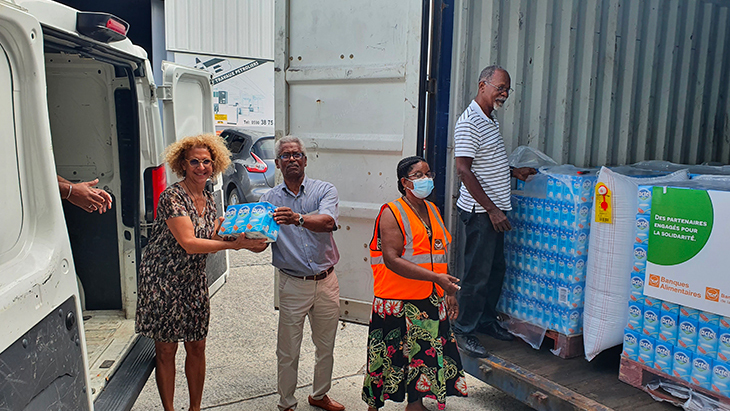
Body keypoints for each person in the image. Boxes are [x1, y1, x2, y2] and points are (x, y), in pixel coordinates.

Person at [135, 134, 267, 411]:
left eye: (207, 161)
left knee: (196, 345)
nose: (201, 167)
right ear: (183, 164)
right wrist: (237, 247)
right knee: (167, 348)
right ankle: (169, 409)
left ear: (214, 164)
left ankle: (195, 408)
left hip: (194, 280)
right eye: (194, 161)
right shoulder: (173, 196)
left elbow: (215, 234)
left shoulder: (208, 196)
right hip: (163, 280)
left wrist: (248, 239)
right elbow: (190, 242)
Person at [362, 156, 467, 411]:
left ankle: (415, 403)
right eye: (419, 175)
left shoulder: (432, 209)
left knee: (422, 356)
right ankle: (374, 405)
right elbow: (392, 259)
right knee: (387, 357)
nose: (426, 179)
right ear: (404, 182)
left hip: (427, 298)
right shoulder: (391, 212)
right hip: (396, 301)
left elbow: (439, 254)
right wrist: (436, 280)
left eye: (428, 173)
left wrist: (447, 289)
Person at [453, 65, 536, 357]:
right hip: (481, 213)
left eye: (507, 89)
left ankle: (486, 320)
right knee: (476, 274)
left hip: (495, 209)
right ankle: (463, 330)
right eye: (500, 87)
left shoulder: (490, 119)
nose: (504, 94)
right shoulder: (470, 122)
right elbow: (464, 170)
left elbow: (486, 164)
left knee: (495, 268)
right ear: (482, 85)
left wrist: (514, 171)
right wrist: (491, 210)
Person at [258, 136, 345, 411]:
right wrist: (237, 237)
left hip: (326, 280)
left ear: (305, 160)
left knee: (325, 346)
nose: (292, 159)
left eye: (297, 154)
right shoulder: (268, 200)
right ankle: (286, 404)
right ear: (277, 164)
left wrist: (297, 218)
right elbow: (261, 241)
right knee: (287, 350)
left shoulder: (324, 190)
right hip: (292, 283)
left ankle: (319, 395)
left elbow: (328, 222)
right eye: (285, 155)